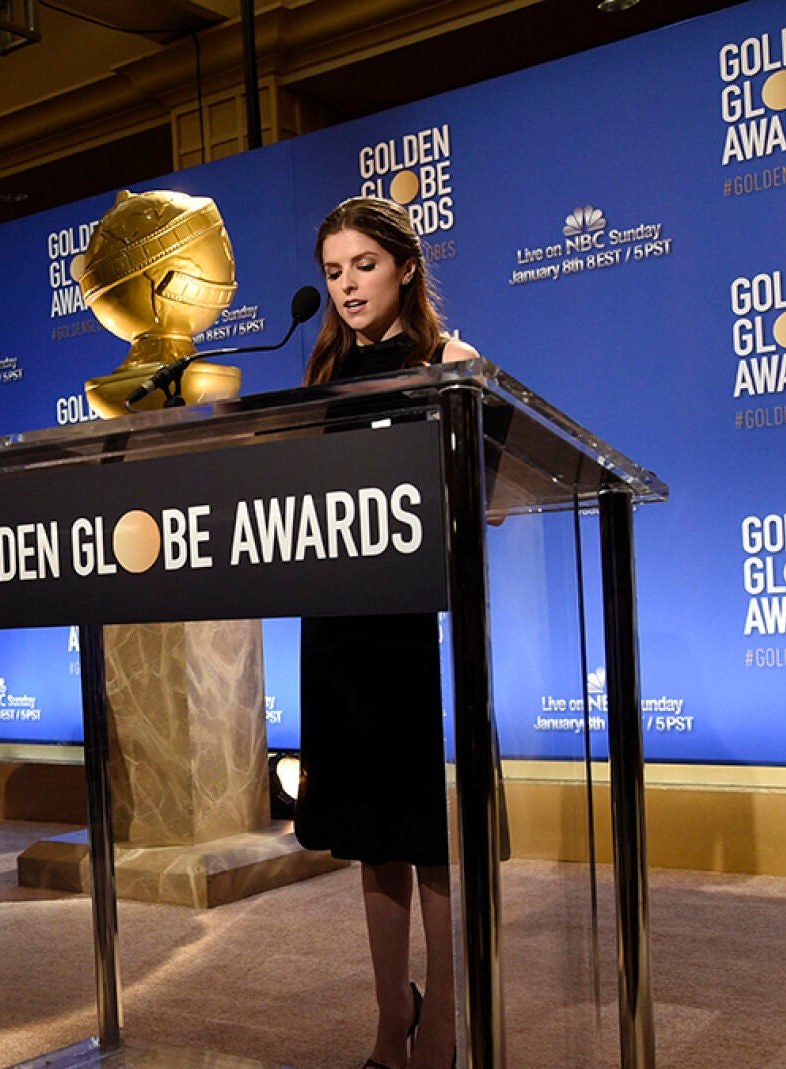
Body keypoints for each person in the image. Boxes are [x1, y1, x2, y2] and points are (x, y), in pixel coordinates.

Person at [300, 196, 478, 1069]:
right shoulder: (321, 376)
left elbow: (475, 489)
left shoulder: (449, 362)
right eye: (333, 272)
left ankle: (443, 1021)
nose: (346, 286)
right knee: (373, 831)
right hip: (336, 625)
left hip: (415, 625)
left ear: (406, 266)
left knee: (422, 828)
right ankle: (387, 1017)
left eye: (363, 265)